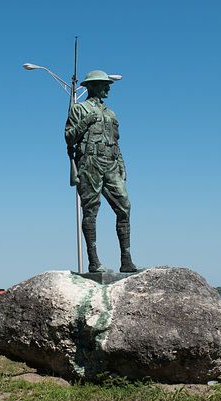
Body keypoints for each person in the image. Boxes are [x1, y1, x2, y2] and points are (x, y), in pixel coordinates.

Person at [65, 70, 137, 273]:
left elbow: (116, 142)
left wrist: (122, 165)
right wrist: (86, 121)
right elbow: (69, 137)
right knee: (91, 209)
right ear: (92, 86)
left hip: (111, 162)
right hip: (90, 161)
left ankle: (126, 260)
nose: (108, 88)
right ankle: (94, 262)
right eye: (104, 85)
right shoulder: (79, 109)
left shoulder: (111, 113)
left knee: (124, 206)